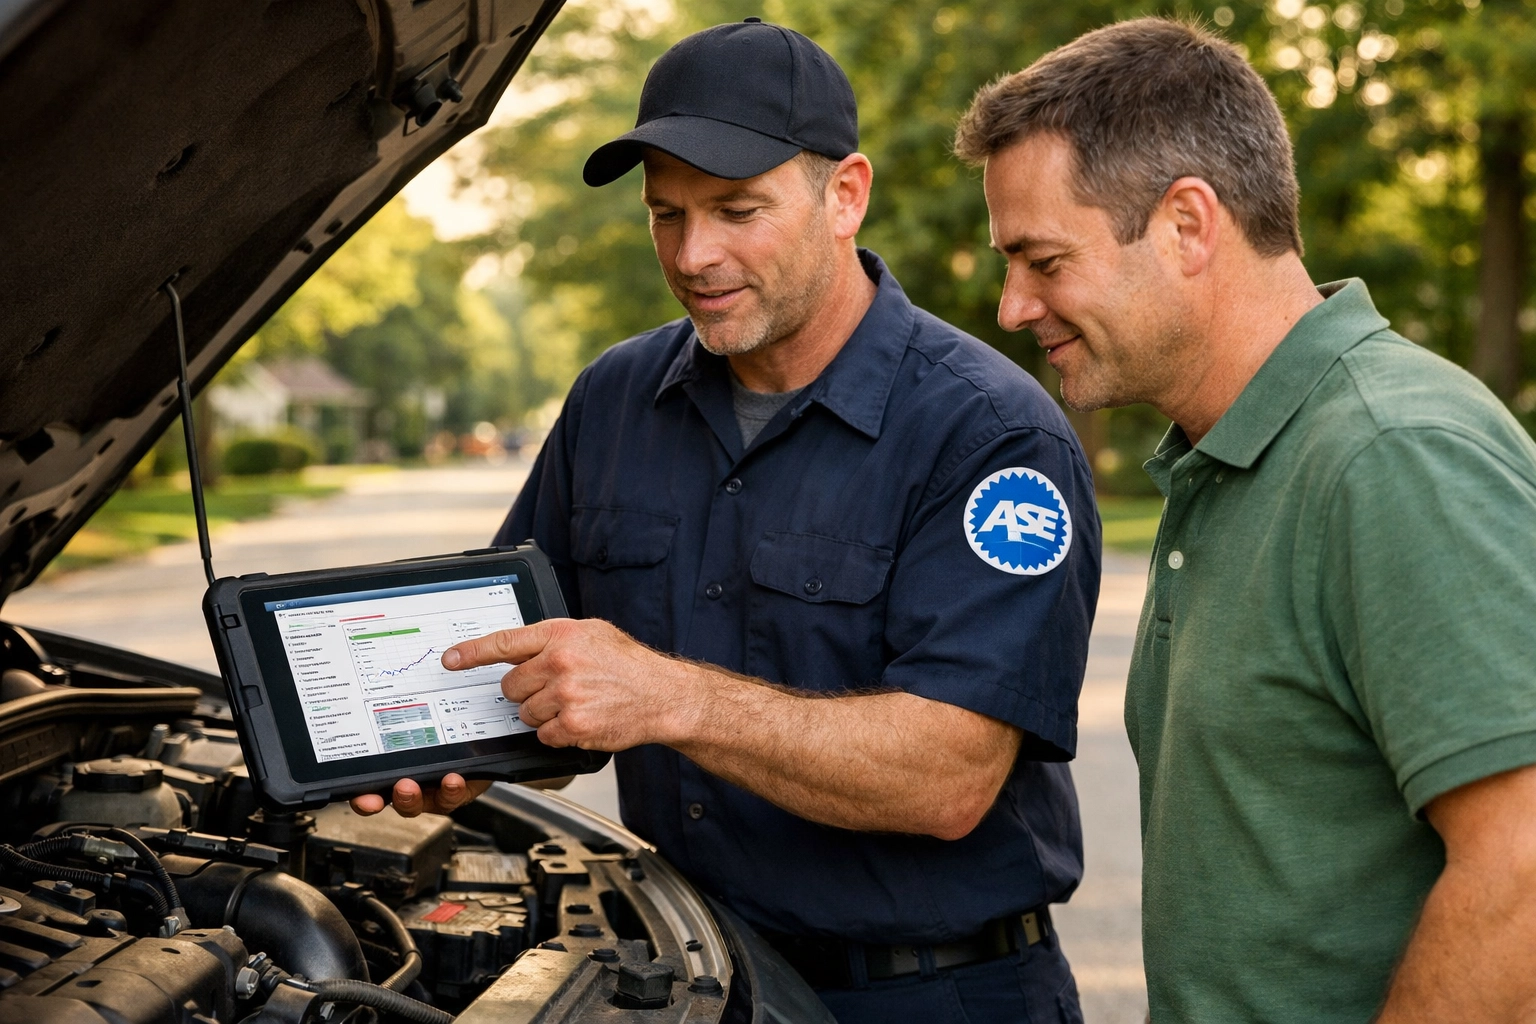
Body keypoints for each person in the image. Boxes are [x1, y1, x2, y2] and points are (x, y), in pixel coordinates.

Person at [353, 20, 1101, 1023]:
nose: (695, 254)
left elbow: (948, 775)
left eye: (737, 209)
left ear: (846, 195)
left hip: (937, 993)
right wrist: (437, 749)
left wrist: (671, 697)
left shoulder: (991, 437)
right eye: (667, 215)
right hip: (701, 979)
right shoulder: (613, 401)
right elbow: (535, 663)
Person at [955, 16, 1536, 1024]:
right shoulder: (1228, 459)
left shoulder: (1389, 455)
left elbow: (1525, 863)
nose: (1012, 306)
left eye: (1042, 260)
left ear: (1187, 223)